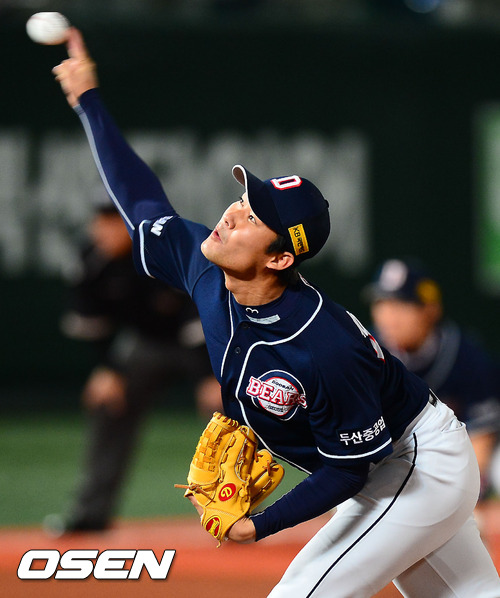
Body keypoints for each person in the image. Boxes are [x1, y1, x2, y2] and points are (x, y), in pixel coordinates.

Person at [50, 28, 500, 596]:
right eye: (242, 200)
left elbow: (349, 468)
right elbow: (141, 201)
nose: (232, 215)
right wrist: (89, 101)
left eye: (253, 218)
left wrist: (257, 525)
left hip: (416, 467)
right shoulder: (204, 267)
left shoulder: (324, 344)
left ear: (281, 258)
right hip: (397, 468)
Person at [46, 196, 221, 534]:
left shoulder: (160, 251)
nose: (101, 230)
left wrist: (208, 376)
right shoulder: (93, 258)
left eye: (111, 221)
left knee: (228, 410)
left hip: (205, 342)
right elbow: (92, 324)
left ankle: (240, 509)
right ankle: (91, 513)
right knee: (108, 403)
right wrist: (107, 370)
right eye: (98, 221)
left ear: (127, 224)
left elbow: (198, 313)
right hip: (147, 344)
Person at [364, 257, 500, 503]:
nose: (389, 316)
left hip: (458, 456)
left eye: (402, 304)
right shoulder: (364, 354)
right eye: (382, 303)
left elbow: (482, 435)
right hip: (396, 455)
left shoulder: (465, 355)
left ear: (430, 309)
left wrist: (470, 493)